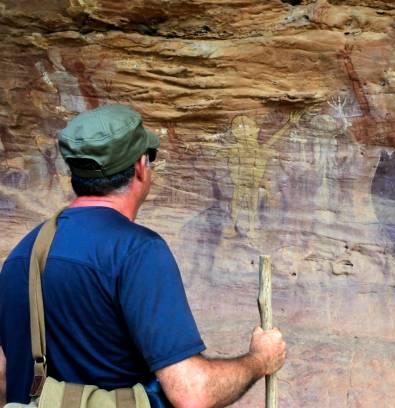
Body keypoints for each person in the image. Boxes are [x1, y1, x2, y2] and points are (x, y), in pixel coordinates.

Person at [0, 104, 286, 407]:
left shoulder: (24, 254)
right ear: (140, 166)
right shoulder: (138, 251)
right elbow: (192, 393)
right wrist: (259, 360)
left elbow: (5, 377)